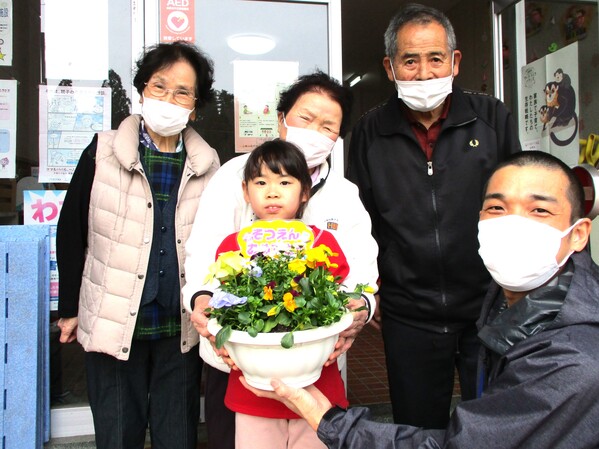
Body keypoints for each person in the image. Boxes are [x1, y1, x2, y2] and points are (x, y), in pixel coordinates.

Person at [246, 150, 599, 448]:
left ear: (578, 233)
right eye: (496, 208)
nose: (512, 225)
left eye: (539, 211)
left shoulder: (572, 361)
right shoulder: (510, 300)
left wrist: (329, 420)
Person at [182, 71, 379, 449]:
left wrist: (360, 307)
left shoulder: (344, 193)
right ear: (281, 119)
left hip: (315, 360)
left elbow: (362, 265)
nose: (314, 132)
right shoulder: (234, 177)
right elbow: (205, 251)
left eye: (328, 126)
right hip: (236, 357)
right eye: (305, 119)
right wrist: (203, 301)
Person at [346, 3, 521, 428]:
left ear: (454, 62)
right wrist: (372, 290)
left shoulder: (491, 118)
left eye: (435, 58)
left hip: (488, 305)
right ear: (390, 68)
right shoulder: (369, 131)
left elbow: (518, 205)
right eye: (410, 60)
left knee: (496, 424)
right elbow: (359, 221)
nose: (424, 73)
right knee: (416, 425)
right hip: (409, 314)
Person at [55, 41, 220, 449]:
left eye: (182, 92)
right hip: (112, 318)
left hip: (178, 326)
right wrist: (71, 309)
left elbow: (220, 244)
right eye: (159, 86)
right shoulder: (103, 151)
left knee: (176, 434)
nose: (168, 99)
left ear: (195, 106)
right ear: (141, 91)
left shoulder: (209, 164)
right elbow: (72, 231)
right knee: (117, 433)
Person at [215, 139, 350, 449]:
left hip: (316, 386)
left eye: (285, 182)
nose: (272, 191)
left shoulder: (321, 241)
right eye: (260, 182)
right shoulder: (233, 245)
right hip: (254, 387)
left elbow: (337, 294)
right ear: (245, 191)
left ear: (305, 192)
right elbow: (223, 301)